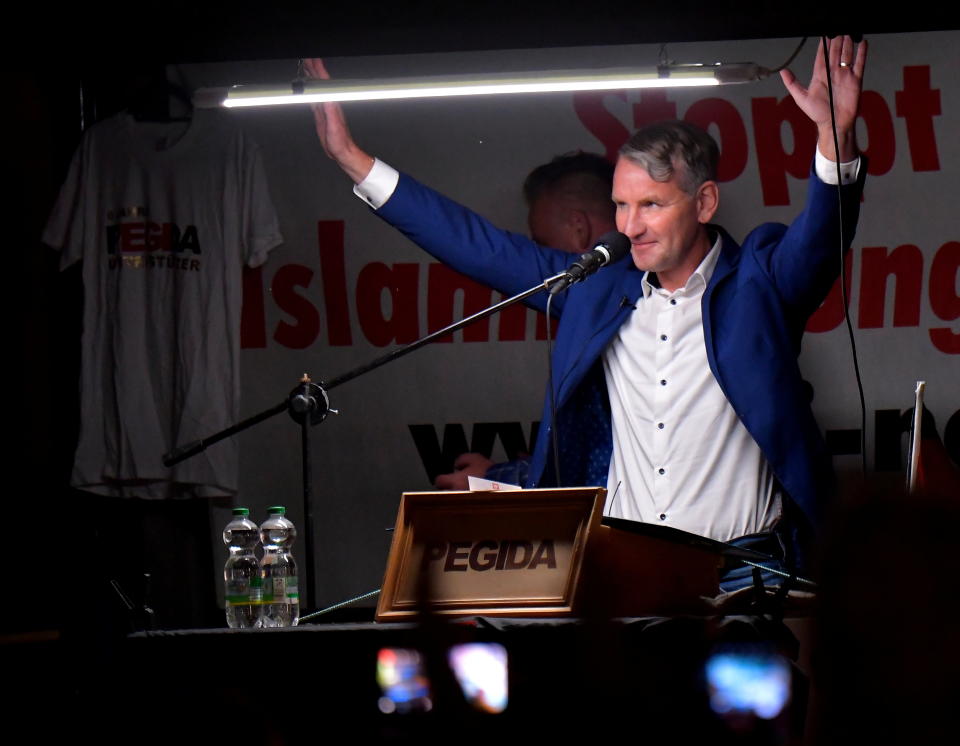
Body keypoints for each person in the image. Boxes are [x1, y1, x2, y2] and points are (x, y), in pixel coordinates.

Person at [305, 36, 867, 588]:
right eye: (622, 205)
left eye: (652, 205)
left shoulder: (759, 282)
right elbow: (478, 245)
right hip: (627, 570)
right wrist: (352, 159)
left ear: (704, 203)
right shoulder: (597, 287)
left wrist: (833, 138)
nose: (630, 226)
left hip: (743, 575)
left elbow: (818, 243)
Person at [434, 151, 618, 490]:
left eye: (541, 245)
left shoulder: (611, 316)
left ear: (579, 228)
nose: (538, 258)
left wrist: (493, 481)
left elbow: (597, 472)